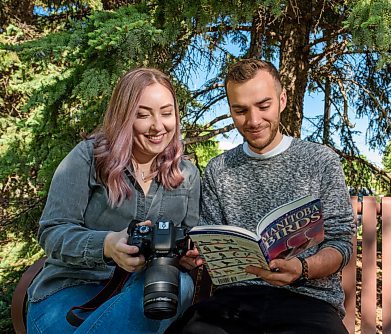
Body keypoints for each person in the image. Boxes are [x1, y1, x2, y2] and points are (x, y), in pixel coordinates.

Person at [172, 59, 355, 334]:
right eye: (241, 110)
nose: (254, 120)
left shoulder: (320, 161)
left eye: (263, 105)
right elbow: (208, 244)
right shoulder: (218, 170)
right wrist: (195, 256)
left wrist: (302, 268)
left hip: (308, 302)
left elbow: (341, 243)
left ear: (282, 100)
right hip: (232, 305)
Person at [27, 68, 201, 333]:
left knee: (182, 283)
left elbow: (190, 238)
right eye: (143, 114)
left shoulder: (187, 174)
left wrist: (188, 255)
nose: (158, 126)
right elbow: (52, 232)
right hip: (70, 291)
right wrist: (107, 245)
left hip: (148, 290)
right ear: (124, 116)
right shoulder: (88, 157)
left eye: (167, 113)